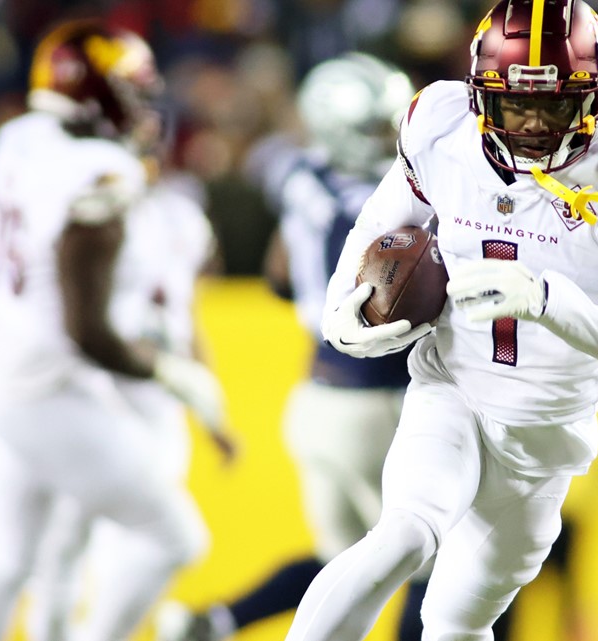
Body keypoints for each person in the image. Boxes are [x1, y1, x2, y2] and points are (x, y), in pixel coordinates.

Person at [288, 1, 598, 640]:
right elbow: (382, 224)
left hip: (544, 436)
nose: (531, 124)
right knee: (404, 537)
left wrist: (545, 299)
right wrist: (343, 310)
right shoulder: (439, 124)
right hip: (451, 389)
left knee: (455, 624)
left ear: (594, 99)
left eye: (554, 106)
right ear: (479, 96)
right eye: (515, 105)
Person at [0, 19, 236, 641]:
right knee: (174, 537)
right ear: (100, 96)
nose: (145, 106)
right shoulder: (103, 175)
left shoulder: (20, 137)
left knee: (9, 556)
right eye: (132, 91)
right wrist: (167, 370)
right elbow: (88, 331)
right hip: (42, 383)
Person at [154, 52, 438, 641]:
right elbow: (404, 291)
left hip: (316, 397)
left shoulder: (300, 175)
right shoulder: (386, 203)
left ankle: (216, 622)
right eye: (377, 127)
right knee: (433, 566)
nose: (391, 137)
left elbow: (279, 275)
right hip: (379, 399)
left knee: (345, 561)